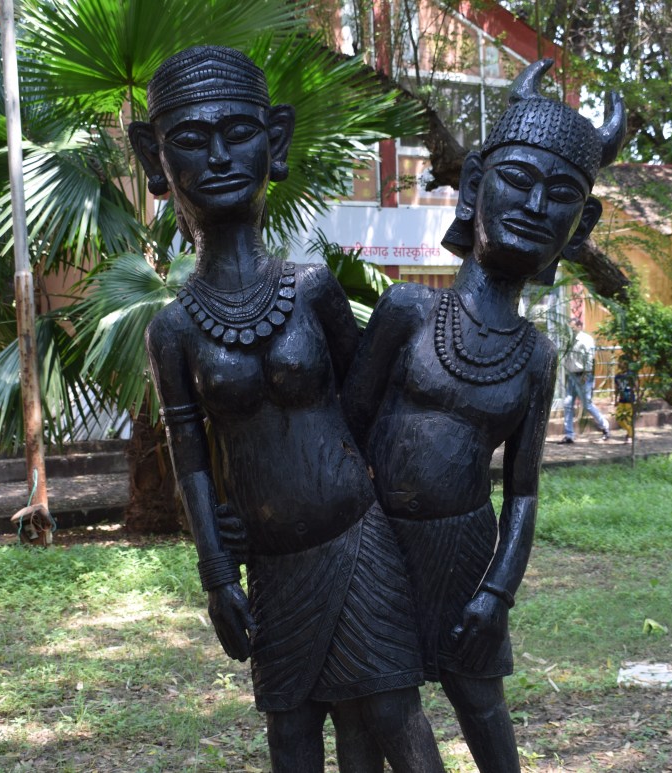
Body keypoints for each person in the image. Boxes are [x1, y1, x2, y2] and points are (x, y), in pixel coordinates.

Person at [129, 46, 443, 773]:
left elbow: (369, 406)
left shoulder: (311, 289)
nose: (217, 155)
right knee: (293, 734)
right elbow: (192, 464)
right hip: (273, 567)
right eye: (189, 138)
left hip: (358, 537)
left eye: (237, 132)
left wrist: (398, 323)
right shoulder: (173, 329)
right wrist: (215, 571)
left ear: (274, 142)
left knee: (394, 715)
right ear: (155, 156)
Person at [342, 58, 625, 772]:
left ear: (580, 222)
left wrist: (497, 592)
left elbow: (523, 490)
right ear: (474, 187)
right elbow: (344, 427)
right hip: (375, 547)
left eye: (559, 194)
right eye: (517, 181)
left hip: (464, 551)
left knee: (482, 701)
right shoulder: (407, 311)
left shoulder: (535, 356)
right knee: (367, 706)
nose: (534, 205)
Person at [560, 317, 611, 443]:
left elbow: (589, 358)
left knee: (587, 404)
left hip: (583, 375)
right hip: (571, 375)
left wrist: (586, 374)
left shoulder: (586, 339)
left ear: (579, 326)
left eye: (572, 327)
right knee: (567, 404)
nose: (570, 330)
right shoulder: (569, 339)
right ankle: (569, 435)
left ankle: (605, 426)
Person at [614, 356, 637, 442]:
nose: (620, 364)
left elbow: (636, 386)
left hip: (630, 399)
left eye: (622, 362)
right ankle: (630, 431)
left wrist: (636, 398)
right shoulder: (617, 376)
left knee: (629, 418)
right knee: (618, 418)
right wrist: (615, 399)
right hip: (621, 399)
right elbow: (616, 389)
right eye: (619, 362)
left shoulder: (631, 375)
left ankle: (630, 436)